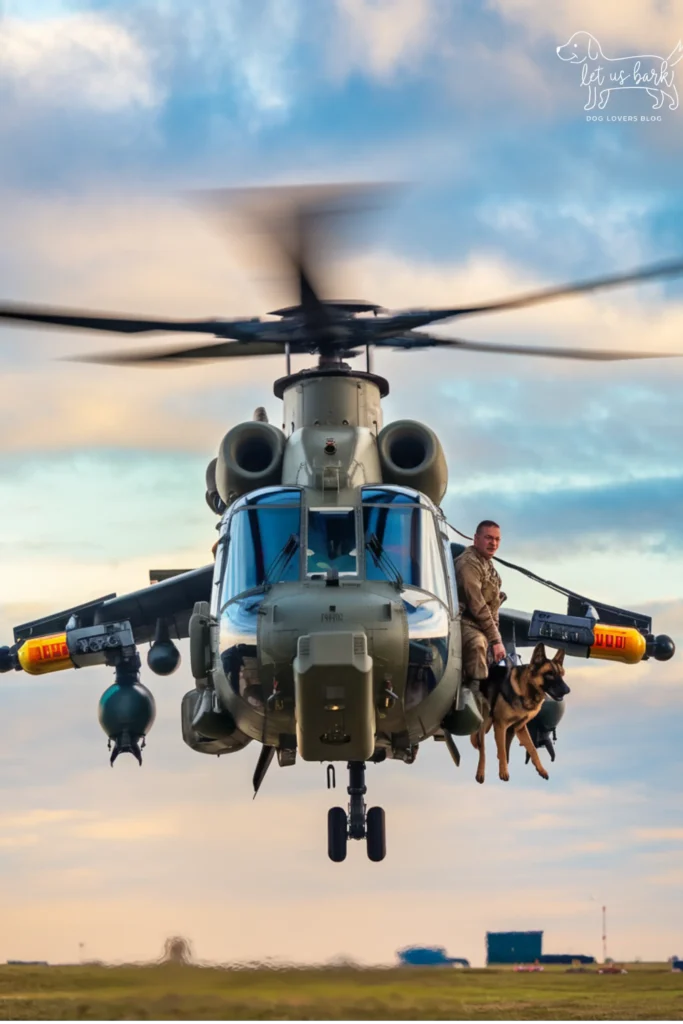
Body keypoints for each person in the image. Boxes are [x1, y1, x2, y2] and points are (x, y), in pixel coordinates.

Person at [454, 520, 507, 699]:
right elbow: (477, 605)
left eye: (497, 539)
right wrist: (495, 639)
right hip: (464, 622)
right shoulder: (468, 564)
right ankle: (472, 699)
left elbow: (493, 608)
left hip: (482, 626)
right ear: (476, 539)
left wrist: (495, 639)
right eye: (488, 538)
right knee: (477, 645)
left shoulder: (488, 566)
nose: (493, 543)